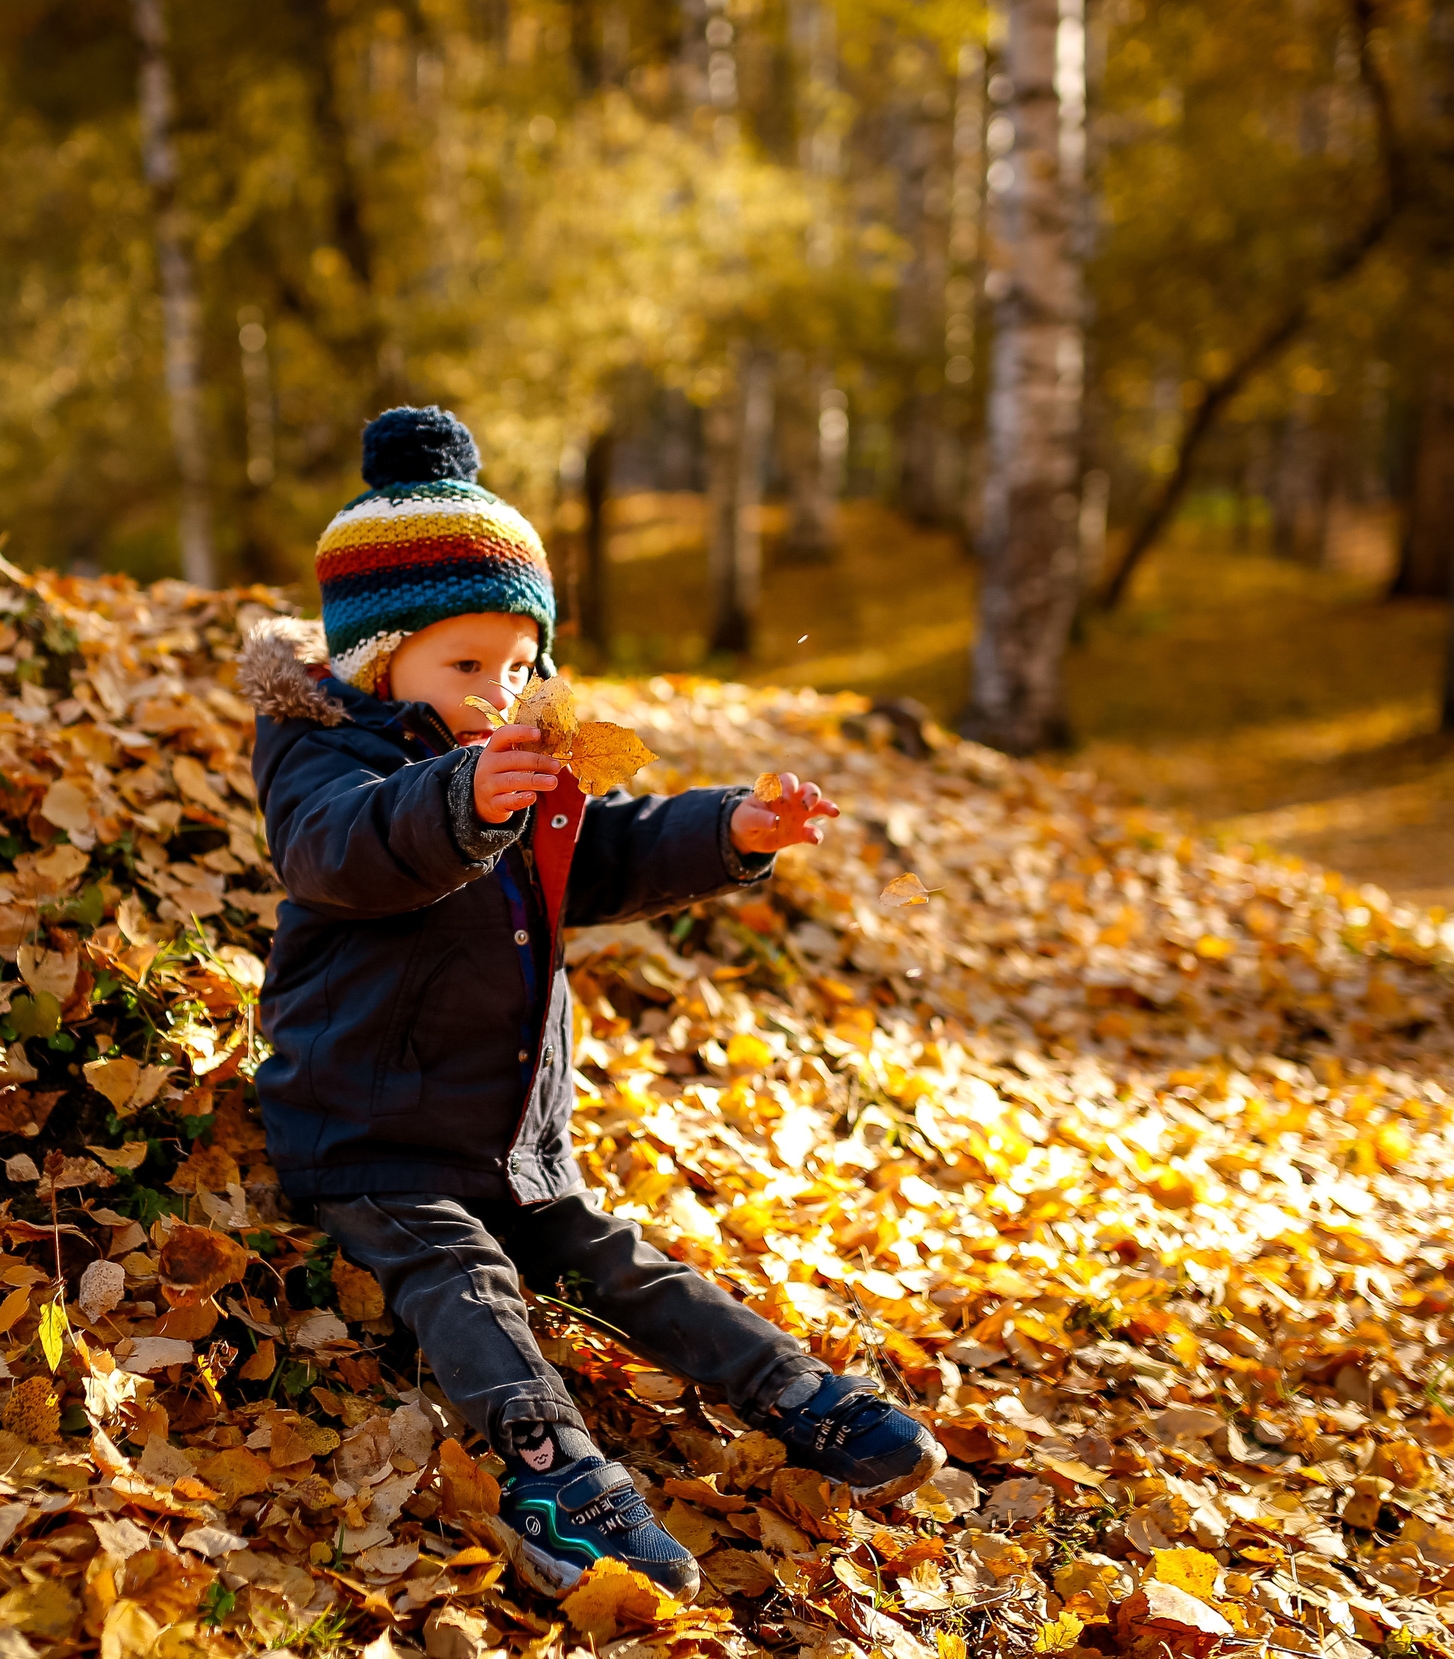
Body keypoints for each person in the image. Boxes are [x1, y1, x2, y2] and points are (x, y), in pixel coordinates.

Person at [238, 406, 945, 1598]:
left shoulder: (522, 765)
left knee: (618, 1263)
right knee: (464, 1285)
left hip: (509, 1135)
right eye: (465, 666)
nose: (496, 692)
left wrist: (729, 829)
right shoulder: (327, 758)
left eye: (518, 667)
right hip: (369, 1133)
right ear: (377, 659)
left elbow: (604, 858)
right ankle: (551, 1476)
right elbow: (339, 853)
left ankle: (791, 1390)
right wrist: (463, 798)